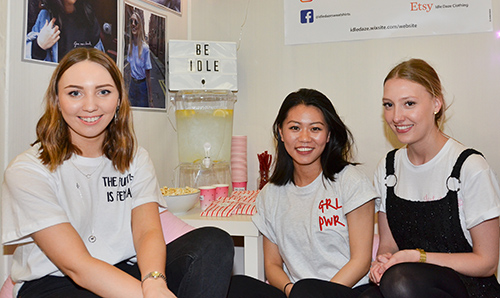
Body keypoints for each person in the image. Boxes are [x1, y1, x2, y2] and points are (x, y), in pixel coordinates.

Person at [1, 47, 234, 298]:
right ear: (57, 101)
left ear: (119, 99)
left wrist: (154, 282)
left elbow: (147, 231)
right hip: (56, 282)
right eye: (75, 93)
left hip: (125, 270)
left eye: (103, 92)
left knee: (214, 242)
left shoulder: (135, 158)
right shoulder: (28, 170)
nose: (90, 106)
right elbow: (77, 266)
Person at [361, 58, 500, 298]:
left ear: (436, 104)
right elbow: (389, 244)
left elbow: (487, 262)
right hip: (406, 283)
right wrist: (383, 259)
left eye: (409, 104)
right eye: (388, 105)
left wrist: (419, 257)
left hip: (468, 289)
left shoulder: (470, 167)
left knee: (400, 282)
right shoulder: (388, 168)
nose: (396, 116)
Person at [228, 88, 378, 298]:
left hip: (348, 291)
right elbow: (272, 265)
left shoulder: (351, 181)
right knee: (236, 286)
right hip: (298, 293)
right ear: (281, 132)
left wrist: (317, 295)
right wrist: (292, 291)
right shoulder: (270, 194)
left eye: (315, 129)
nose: (305, 138)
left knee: (309, 290)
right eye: (295, 128)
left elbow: (361, 262)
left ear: (328, 135)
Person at [26, 0, 105, 63]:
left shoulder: (89, 17)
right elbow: (25, 58)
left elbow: (99, 60)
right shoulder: (45, 17)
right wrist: (39, 46)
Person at [126, 11, 153, 108]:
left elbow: (148, 75)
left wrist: (150, 99)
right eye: (131, 21)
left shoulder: (145, 48)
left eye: (136, 22)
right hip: (132, 86)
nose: (133, 24)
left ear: (140, 26)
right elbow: (129, 71)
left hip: (142, 87)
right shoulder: (130, 47)